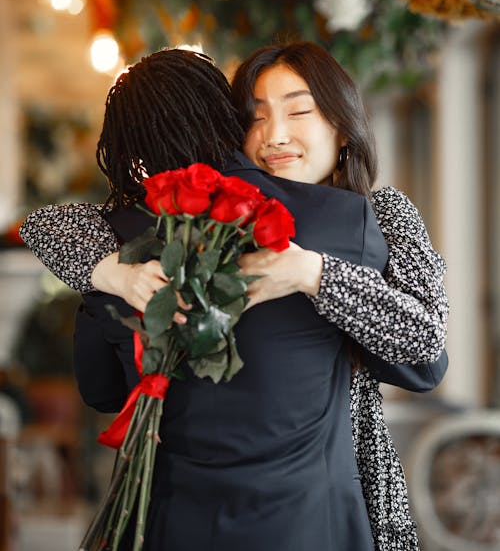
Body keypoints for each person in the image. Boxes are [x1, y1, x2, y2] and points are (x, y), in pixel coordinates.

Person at [20, 45, 448, 551]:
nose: (275, 135)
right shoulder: (345, 223)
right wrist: (110, 273)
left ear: (343, 122)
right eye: (255, 117)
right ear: (227, 126)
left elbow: (423, 359)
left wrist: (311, 272)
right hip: (314, 517)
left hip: (209, 514)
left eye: (299, 109)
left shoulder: (380, 216)